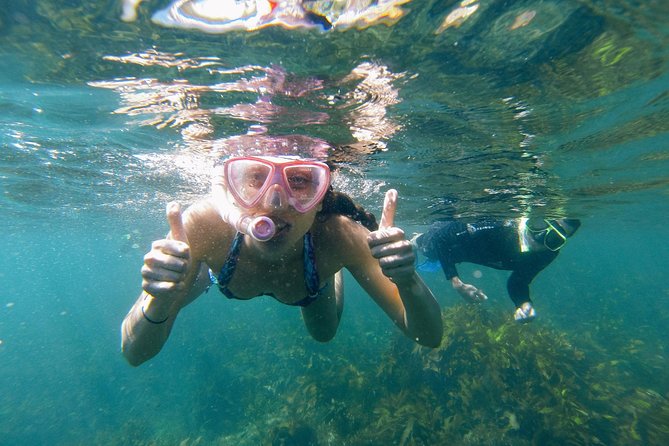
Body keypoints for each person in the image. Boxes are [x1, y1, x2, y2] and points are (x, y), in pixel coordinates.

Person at [121, 154, 443, 366]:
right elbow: (134, 353)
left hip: (308, 278)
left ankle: (326, 275)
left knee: (323, 334)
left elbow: (428, 336)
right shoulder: (203, 225)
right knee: (182, 280)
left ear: (320, 200)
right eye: (256, 178)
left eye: (300, 181)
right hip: (224, 267)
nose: (274, 202)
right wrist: (159, 302)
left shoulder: (340, 237)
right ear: (233, 192)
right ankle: (203, 272)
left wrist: (407, 280)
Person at [413, 217, 581, 323]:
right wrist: (456, 282)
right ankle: (415, 239)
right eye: (539, 224)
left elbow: (519, 281)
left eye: (554, 238)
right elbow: (443, 237)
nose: (539, 236)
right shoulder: (504, 227)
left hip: (459, 255)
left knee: (439, 254)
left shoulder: (547, 254)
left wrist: (523, 304)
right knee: (428, 248)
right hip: (446, 238)